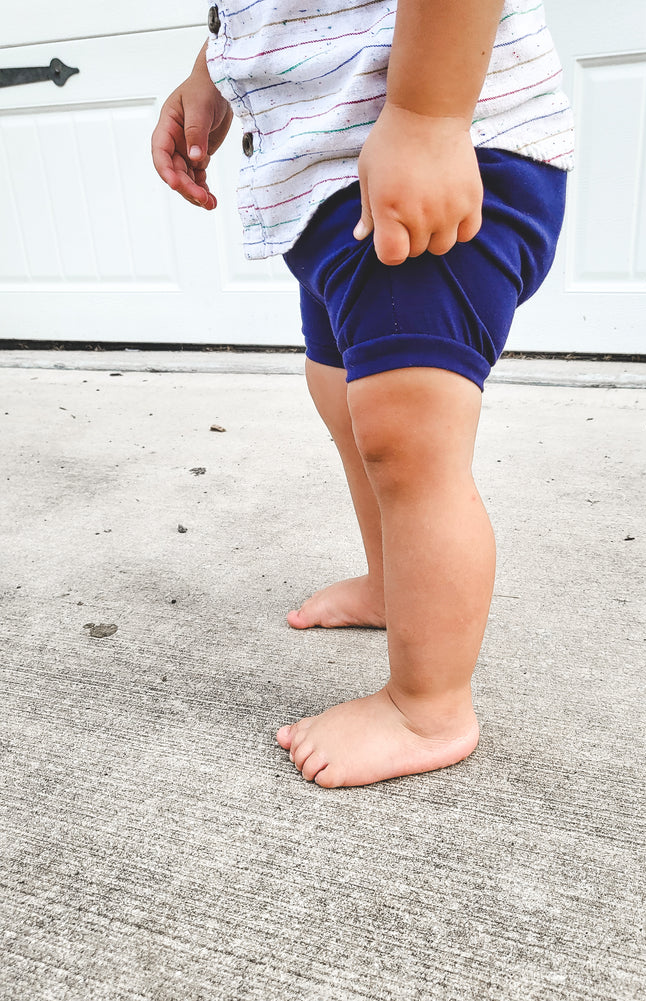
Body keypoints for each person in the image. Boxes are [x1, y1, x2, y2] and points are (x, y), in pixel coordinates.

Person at [151, 0, 574, 789]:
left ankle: (428, 706)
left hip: (439, 156)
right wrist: (208, 76)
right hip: (328, 189)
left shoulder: (431, 129)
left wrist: (427, 115)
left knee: (406, 435)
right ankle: (391, 583)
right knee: (341, 394)